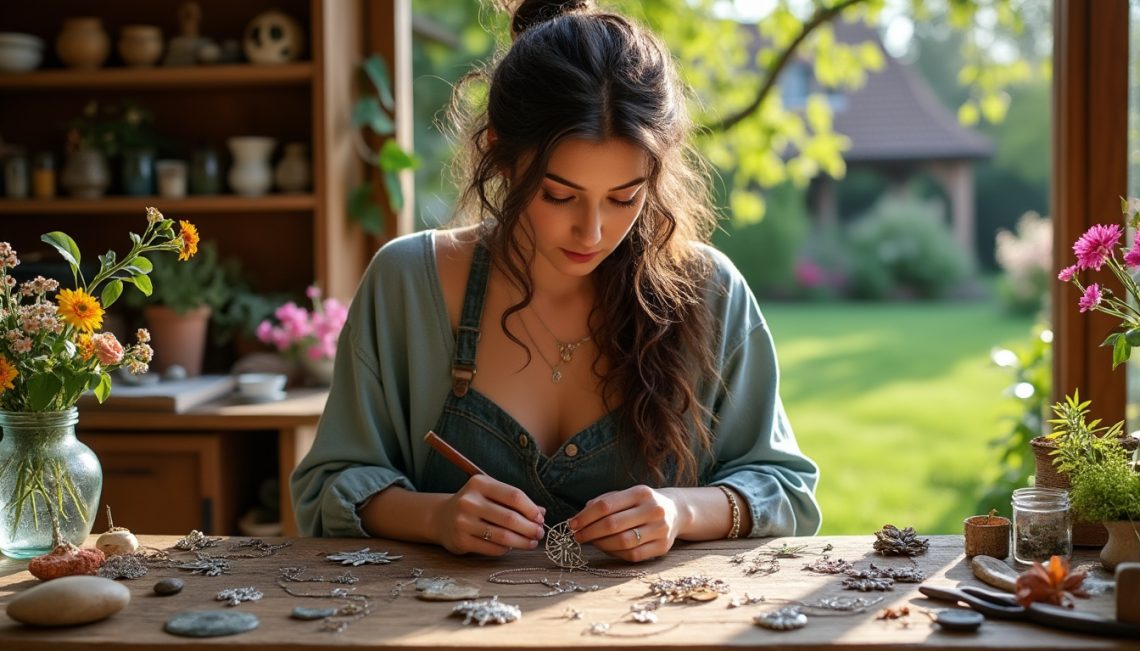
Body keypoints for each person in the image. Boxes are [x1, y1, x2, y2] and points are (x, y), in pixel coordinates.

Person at [291, 0, 821, 562]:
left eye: (625, 198)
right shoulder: (408, 282)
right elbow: (328, 486)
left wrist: (681, 511)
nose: (592, 231)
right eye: (559, 195)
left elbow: (785, 488)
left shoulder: (709, 292)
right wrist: (435, 516)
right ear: (500, 153)